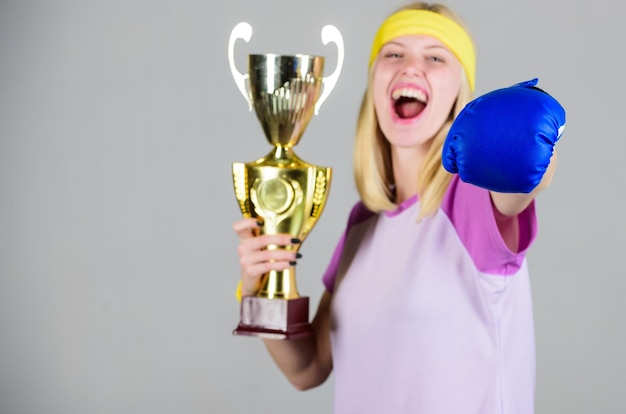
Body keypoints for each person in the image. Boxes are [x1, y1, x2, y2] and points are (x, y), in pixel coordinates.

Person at [232, 2, 566, 413]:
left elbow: (517, 183)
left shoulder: (474, 196)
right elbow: (308, 368)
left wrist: (531, 154)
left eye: (435, 57)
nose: (410, 67)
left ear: (459, 91)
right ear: (373, 82)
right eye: (394, 53)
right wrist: (262, 287)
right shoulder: (363, 224)